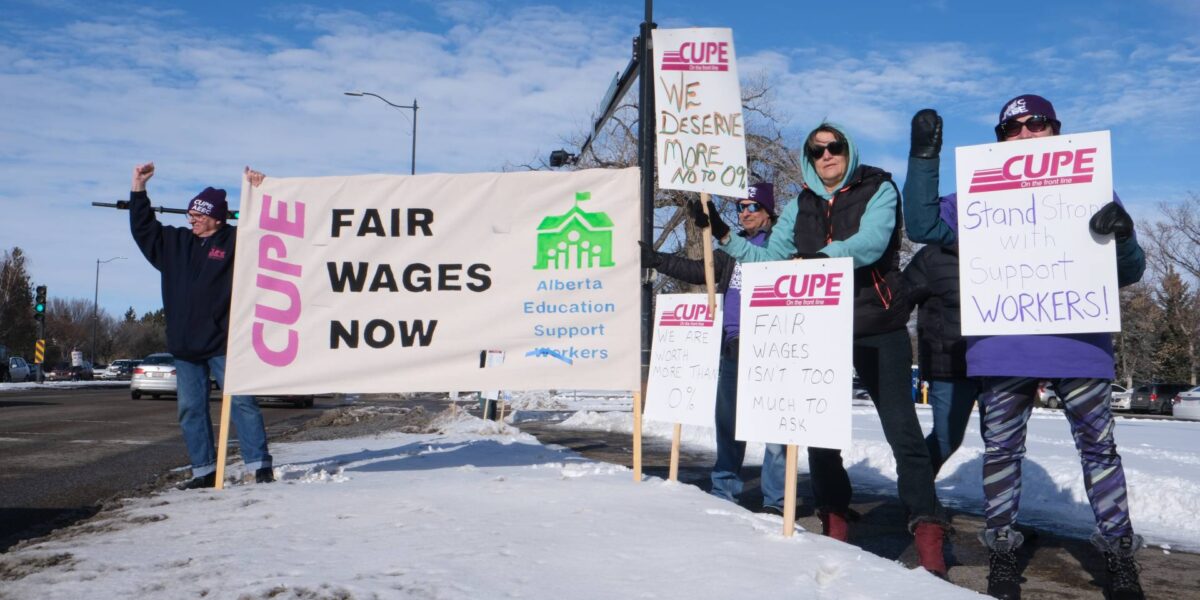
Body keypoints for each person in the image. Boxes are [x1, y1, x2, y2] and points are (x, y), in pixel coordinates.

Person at [903, 95, 1146, 600]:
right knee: (1002, 451)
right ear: (1000, 141)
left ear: (1056, 130)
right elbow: (924, 226)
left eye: (1036, 123)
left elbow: (1128, 271)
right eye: (1012, 127)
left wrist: (1122, 239)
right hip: (1004, 344)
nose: (1025, 133)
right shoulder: (977, 192)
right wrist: (924, 158)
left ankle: (1119, 555)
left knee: (1100, 450)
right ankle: (1003, 552)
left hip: (1078, 343)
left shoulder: (1092, 186)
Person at [694, 123, 949, 576]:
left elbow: (871, 243)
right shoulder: (800, 204)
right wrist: (725, 237)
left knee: (902, 431)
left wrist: (822, 259)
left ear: (849, 149)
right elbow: (769, 259)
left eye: (835, 147)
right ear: (809, 159)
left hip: (876, 322)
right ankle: (834, 515)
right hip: (819, 325)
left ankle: (927, 528)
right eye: (817, 151)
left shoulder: (878, 187)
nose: (826, 155)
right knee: (818, 432)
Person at [642, 183, 788, 514]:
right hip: (733, 349)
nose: (746, 212)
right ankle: (724, 491)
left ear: (768, 211)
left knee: (773, 428)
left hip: (772, 349)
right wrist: (657, 259)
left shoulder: (782, 245)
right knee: (728, 424)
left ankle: (776, 502)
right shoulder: (731, 250)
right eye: (741, 207)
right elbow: (699, 271)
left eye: (753, 206)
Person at [128, 163, 274, 489]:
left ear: (217, 218)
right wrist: (138, 187)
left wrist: (260, 192)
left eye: (198, 214)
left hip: (224, 343)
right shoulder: (174, 243)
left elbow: (266, 231)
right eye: (190, 213)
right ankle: (204, 471)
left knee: (242, 404)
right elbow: (143, 228)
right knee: (191, 411)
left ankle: (260, 465)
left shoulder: (237, 241)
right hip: (184, 346)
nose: (191, 219)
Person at [900, 238, 976, 476]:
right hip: (949, 366)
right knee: (947, 439)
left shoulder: (1010, 251)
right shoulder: (933, 257)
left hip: (1001, 363)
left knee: (1002, 444)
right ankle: (916, 494)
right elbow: (899, 301)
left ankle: (1000, 510)